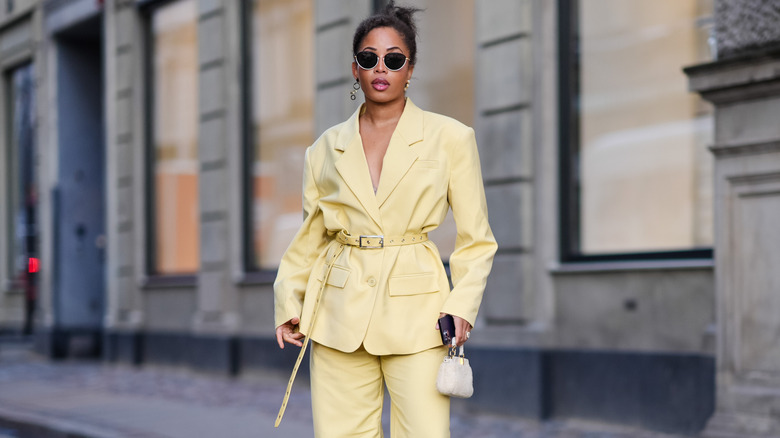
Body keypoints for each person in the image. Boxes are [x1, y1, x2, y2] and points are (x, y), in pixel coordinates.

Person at [273, 2, 497, 436]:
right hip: (338, 313)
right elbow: (309, 238)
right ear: (354, 69)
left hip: (420, 313)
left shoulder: (451, 138)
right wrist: (289, 300)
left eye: (394, 59)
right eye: (369, 58)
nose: (381, 67)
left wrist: (462, 306)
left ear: (410, 69)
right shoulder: (323, 149)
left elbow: (477, 239)